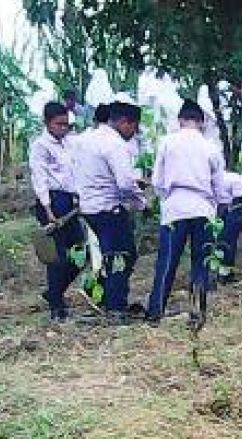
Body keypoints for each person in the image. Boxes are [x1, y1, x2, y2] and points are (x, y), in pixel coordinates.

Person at [146, 100, 225, 323]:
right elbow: (219, 185)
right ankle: (197, 311)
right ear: (201, 122)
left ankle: (156, 311)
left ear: (180, 120)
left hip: (175, 206)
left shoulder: (167, 143)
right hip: (202, 206)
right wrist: (216, 207)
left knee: (167, 261)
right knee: (200, 262)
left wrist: (166, 197)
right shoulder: (210, 147)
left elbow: (158, 181)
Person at [73, 100, 146, 323]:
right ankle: (115, 307)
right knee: (120, 257)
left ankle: (105, 298)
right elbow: (124, 183)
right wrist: (142, 202)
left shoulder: (87, 139)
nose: (133, 133)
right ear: (125, 122)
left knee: (111, 255)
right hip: (109, 208)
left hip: (90, 207)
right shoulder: (114, 144)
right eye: (134, 127)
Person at [29, 101, 87, 322]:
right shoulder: (40, 146)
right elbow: (39, 177)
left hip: (70, 202)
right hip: (52, 202)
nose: (63, 128)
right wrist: (48, 207)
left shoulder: (71, 142)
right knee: (58, 258)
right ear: (47, 123)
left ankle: (53, 292)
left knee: (80, 254)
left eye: (66, 124)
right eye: (59, 124)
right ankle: (56, 307)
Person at [215, 170, 242, 285]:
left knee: (228, 234)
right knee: (223, 234)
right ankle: (223, 272)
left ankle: (225, 273)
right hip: (229, 194)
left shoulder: (218, 182)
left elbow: (223, 204)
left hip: (241, 192)